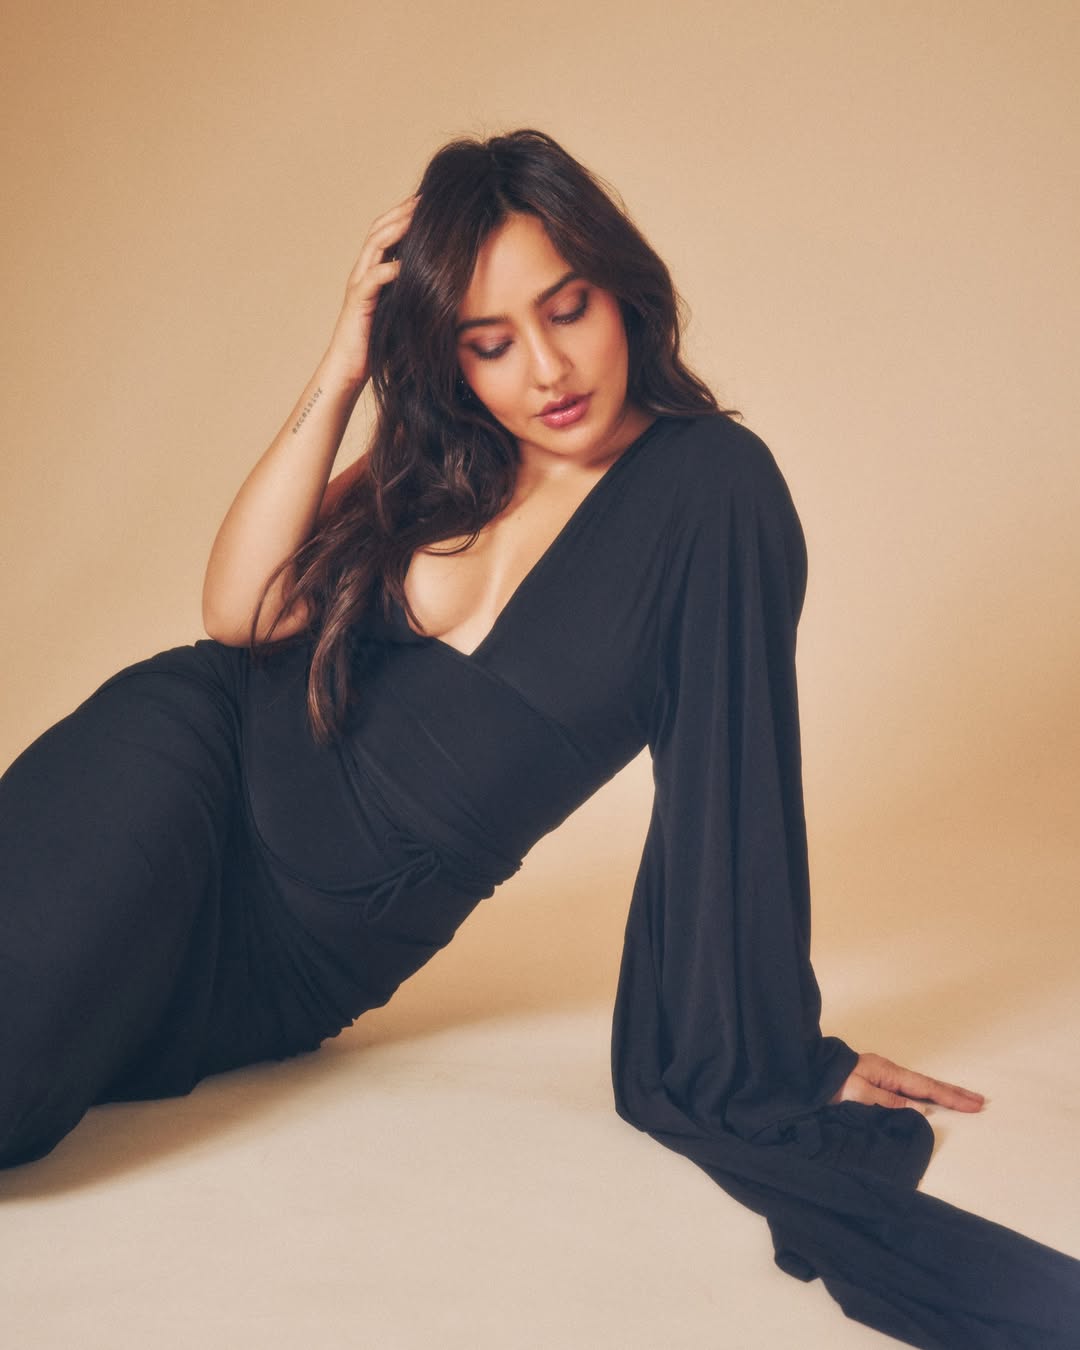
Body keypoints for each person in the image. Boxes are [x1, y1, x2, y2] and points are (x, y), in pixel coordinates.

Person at [0, 129, 1076, 1346]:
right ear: (450, 356)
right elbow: (241, 613)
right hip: (183, 764)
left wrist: (774, 1052)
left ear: (623, 291)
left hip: (295, 960)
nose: (548, 369)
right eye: (490, 341)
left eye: (567, 310)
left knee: (22, 1088)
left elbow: (732, 782)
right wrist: (345, 364)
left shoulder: (708, 491)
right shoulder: (443, 455)